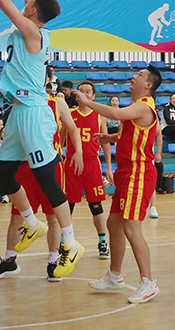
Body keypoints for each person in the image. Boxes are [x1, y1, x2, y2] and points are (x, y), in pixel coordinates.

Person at [0, 0, 82, 279]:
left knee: (46, 180)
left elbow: (5, 1)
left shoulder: (31, 31)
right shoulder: (34, 23)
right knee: (3, 176)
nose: (26, 2)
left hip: (32, 112)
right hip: (18, 112)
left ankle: (71, 244)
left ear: (33, 13)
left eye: (29, 5)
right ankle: (31, 223)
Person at [74, 66, 163, 304]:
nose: (134, 76)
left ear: (148, 85)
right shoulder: (137, 107)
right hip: (126, 173)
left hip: (139, 173)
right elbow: (134, 134)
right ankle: (114, 275)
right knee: (113, 223)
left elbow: (115, 114)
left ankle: (149, 282)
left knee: (132, 228)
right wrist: (111, 138)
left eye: (140, 75)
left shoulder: (144, 106)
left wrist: (87, 102)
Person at [0, 91, 82, 283]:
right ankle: (10, 260)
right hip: (23, 165)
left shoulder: (58, 103)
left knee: (52, 217)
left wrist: (78, 151)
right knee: (16, 216)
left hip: (49, 164)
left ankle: (53, 261)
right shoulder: (20, 99)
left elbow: (72, 128)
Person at [65, 81, 114, 260]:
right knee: (68, 206)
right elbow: (60, 139)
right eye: (81, 91)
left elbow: (105, 142)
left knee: (96, 205)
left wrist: (109, 167)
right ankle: (65, 242)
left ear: (93, 96)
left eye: (88, 92)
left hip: (92, 164)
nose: (84, 94)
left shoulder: (99, 116)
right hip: (71, 164)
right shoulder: (69, 114)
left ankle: (102, 241)